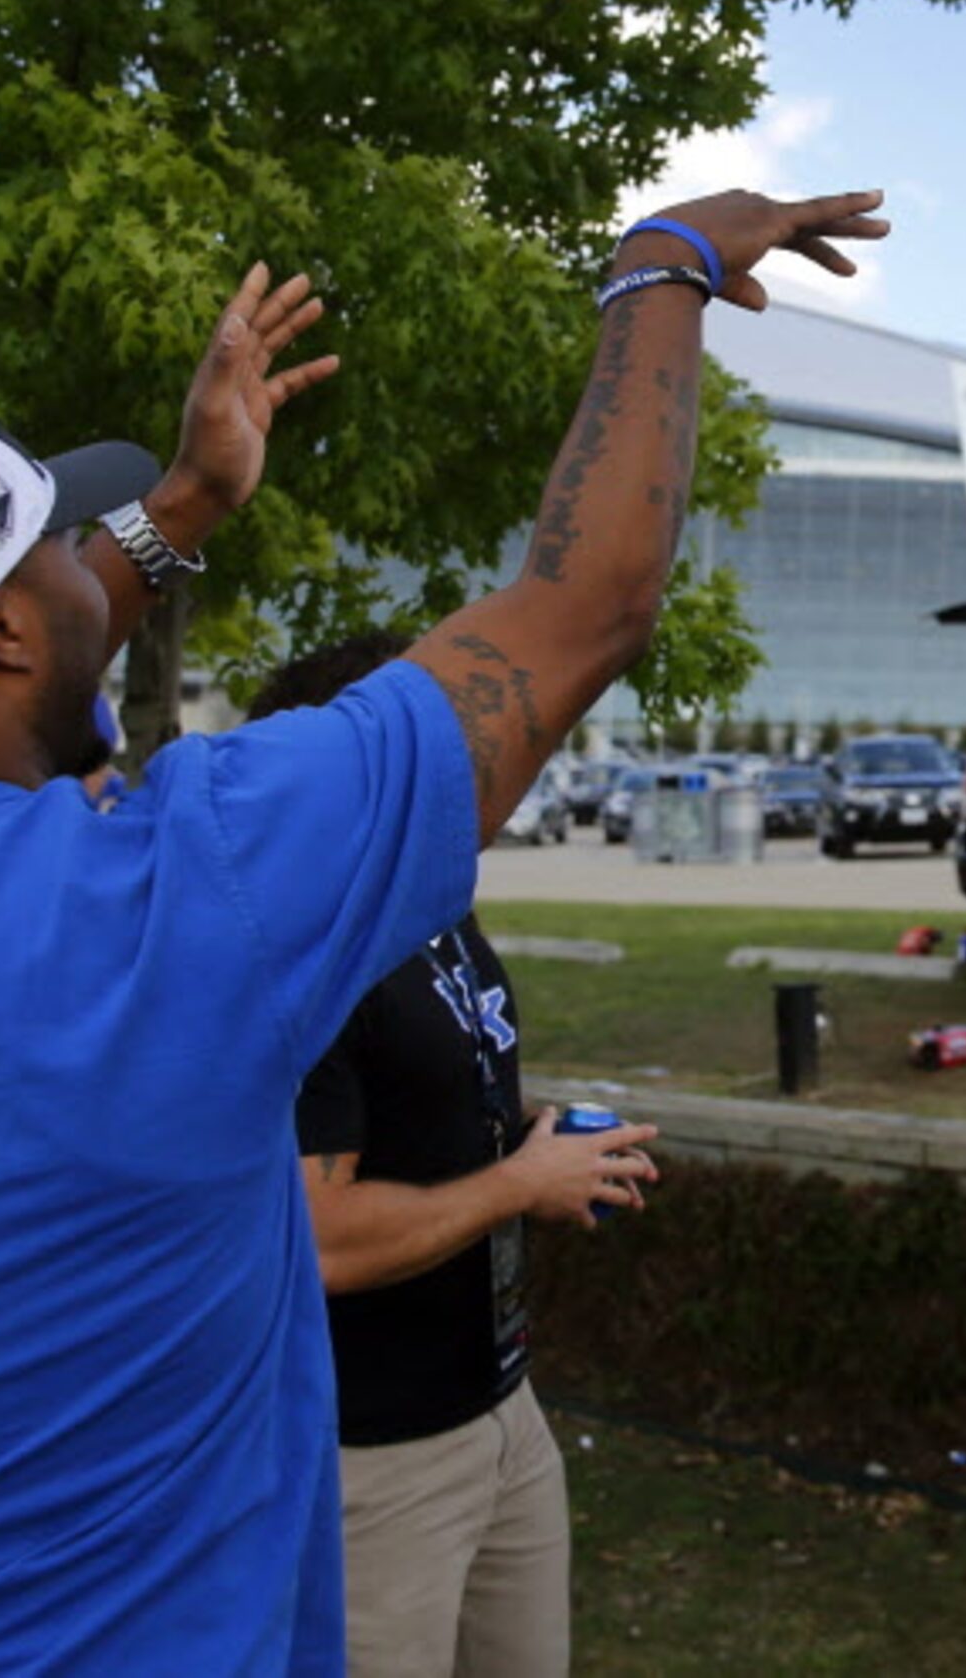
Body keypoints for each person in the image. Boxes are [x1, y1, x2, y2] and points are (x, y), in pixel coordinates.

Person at [0, 188, 885, 1672]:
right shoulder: (174, 903)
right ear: (0, 627)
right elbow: (584, 608)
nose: (88, 560)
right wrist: (659, 268)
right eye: (61, 541)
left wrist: (182, 505)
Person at [253, 633, 663, 1678]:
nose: (490, 748)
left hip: (501, 1411)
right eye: (452, 727)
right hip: (377, 1457)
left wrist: (528, 1134)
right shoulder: (311, 950)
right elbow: (320, 1239)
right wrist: (517, 1184)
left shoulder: (432, 901)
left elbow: (428, 1099)